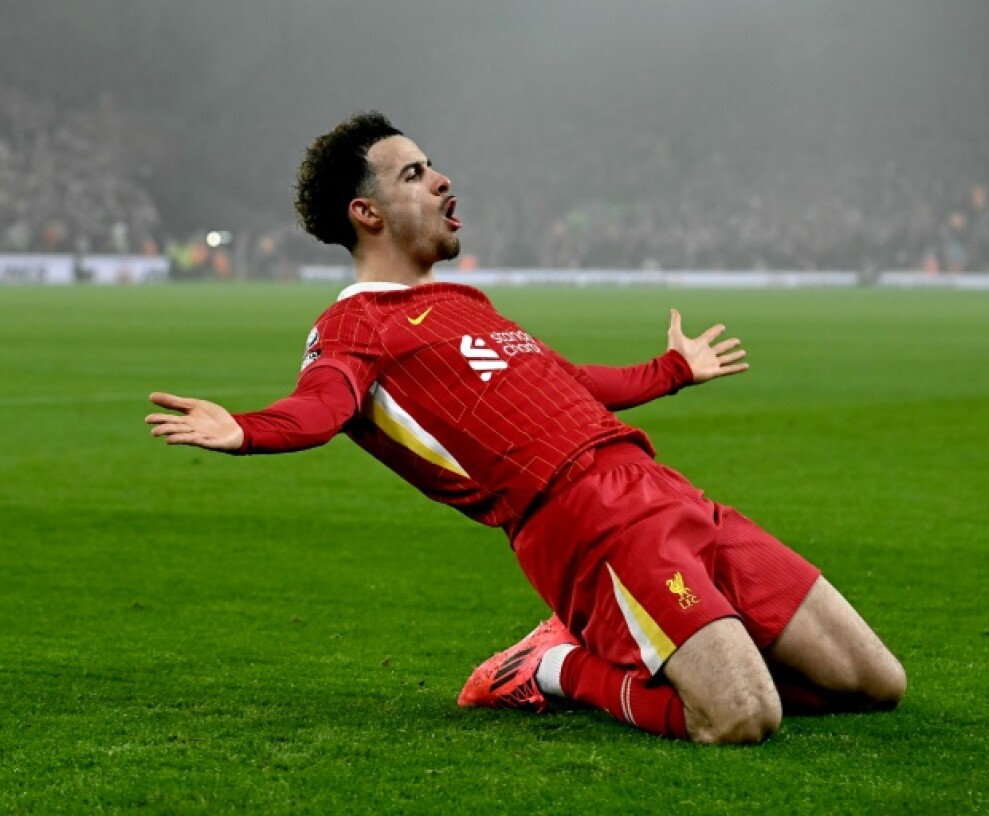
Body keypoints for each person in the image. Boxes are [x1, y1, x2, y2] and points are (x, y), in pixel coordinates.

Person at [146, 111, 906, 744]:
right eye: (413, 174)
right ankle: (550, 668)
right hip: (585, 523)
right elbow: (323, 406)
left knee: (876, 683)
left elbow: (567, 383)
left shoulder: (466, 303)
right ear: (366, 212)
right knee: (740, 718)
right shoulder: (352, 329)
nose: (441, 179)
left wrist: (672, 372)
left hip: (659, 488)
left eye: (432, 166)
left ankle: (684, 651)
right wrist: (244, 429)